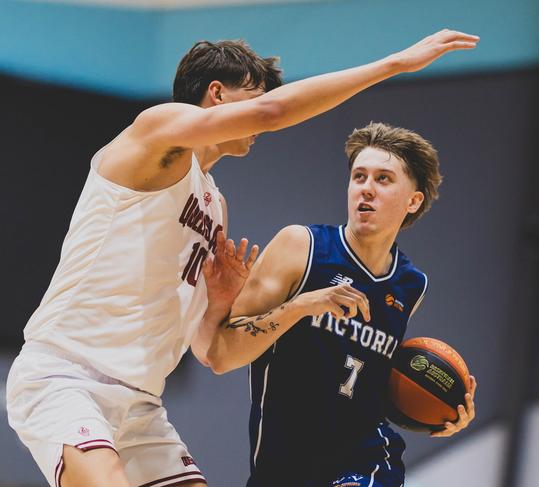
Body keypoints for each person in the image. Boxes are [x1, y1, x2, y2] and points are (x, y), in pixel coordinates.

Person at [6, 32, 479, 487]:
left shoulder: (214, 205)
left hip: (140, 401)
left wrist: (217, 306)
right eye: (251, 99)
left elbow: (211, 351)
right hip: (66, 375)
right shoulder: (157, 133)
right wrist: (394, 64)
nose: (259, 119)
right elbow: (274, 110)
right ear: (217, 93)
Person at [205, 122, 477, 487]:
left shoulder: (411, 285)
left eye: (383, 179)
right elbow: (222, 356)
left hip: (364, 459)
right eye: (359, 176)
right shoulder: (301, 247)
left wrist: (439, 412)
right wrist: (302, 305)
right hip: (282, 466)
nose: (366, 188)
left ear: (413, 200)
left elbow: (367, 382)